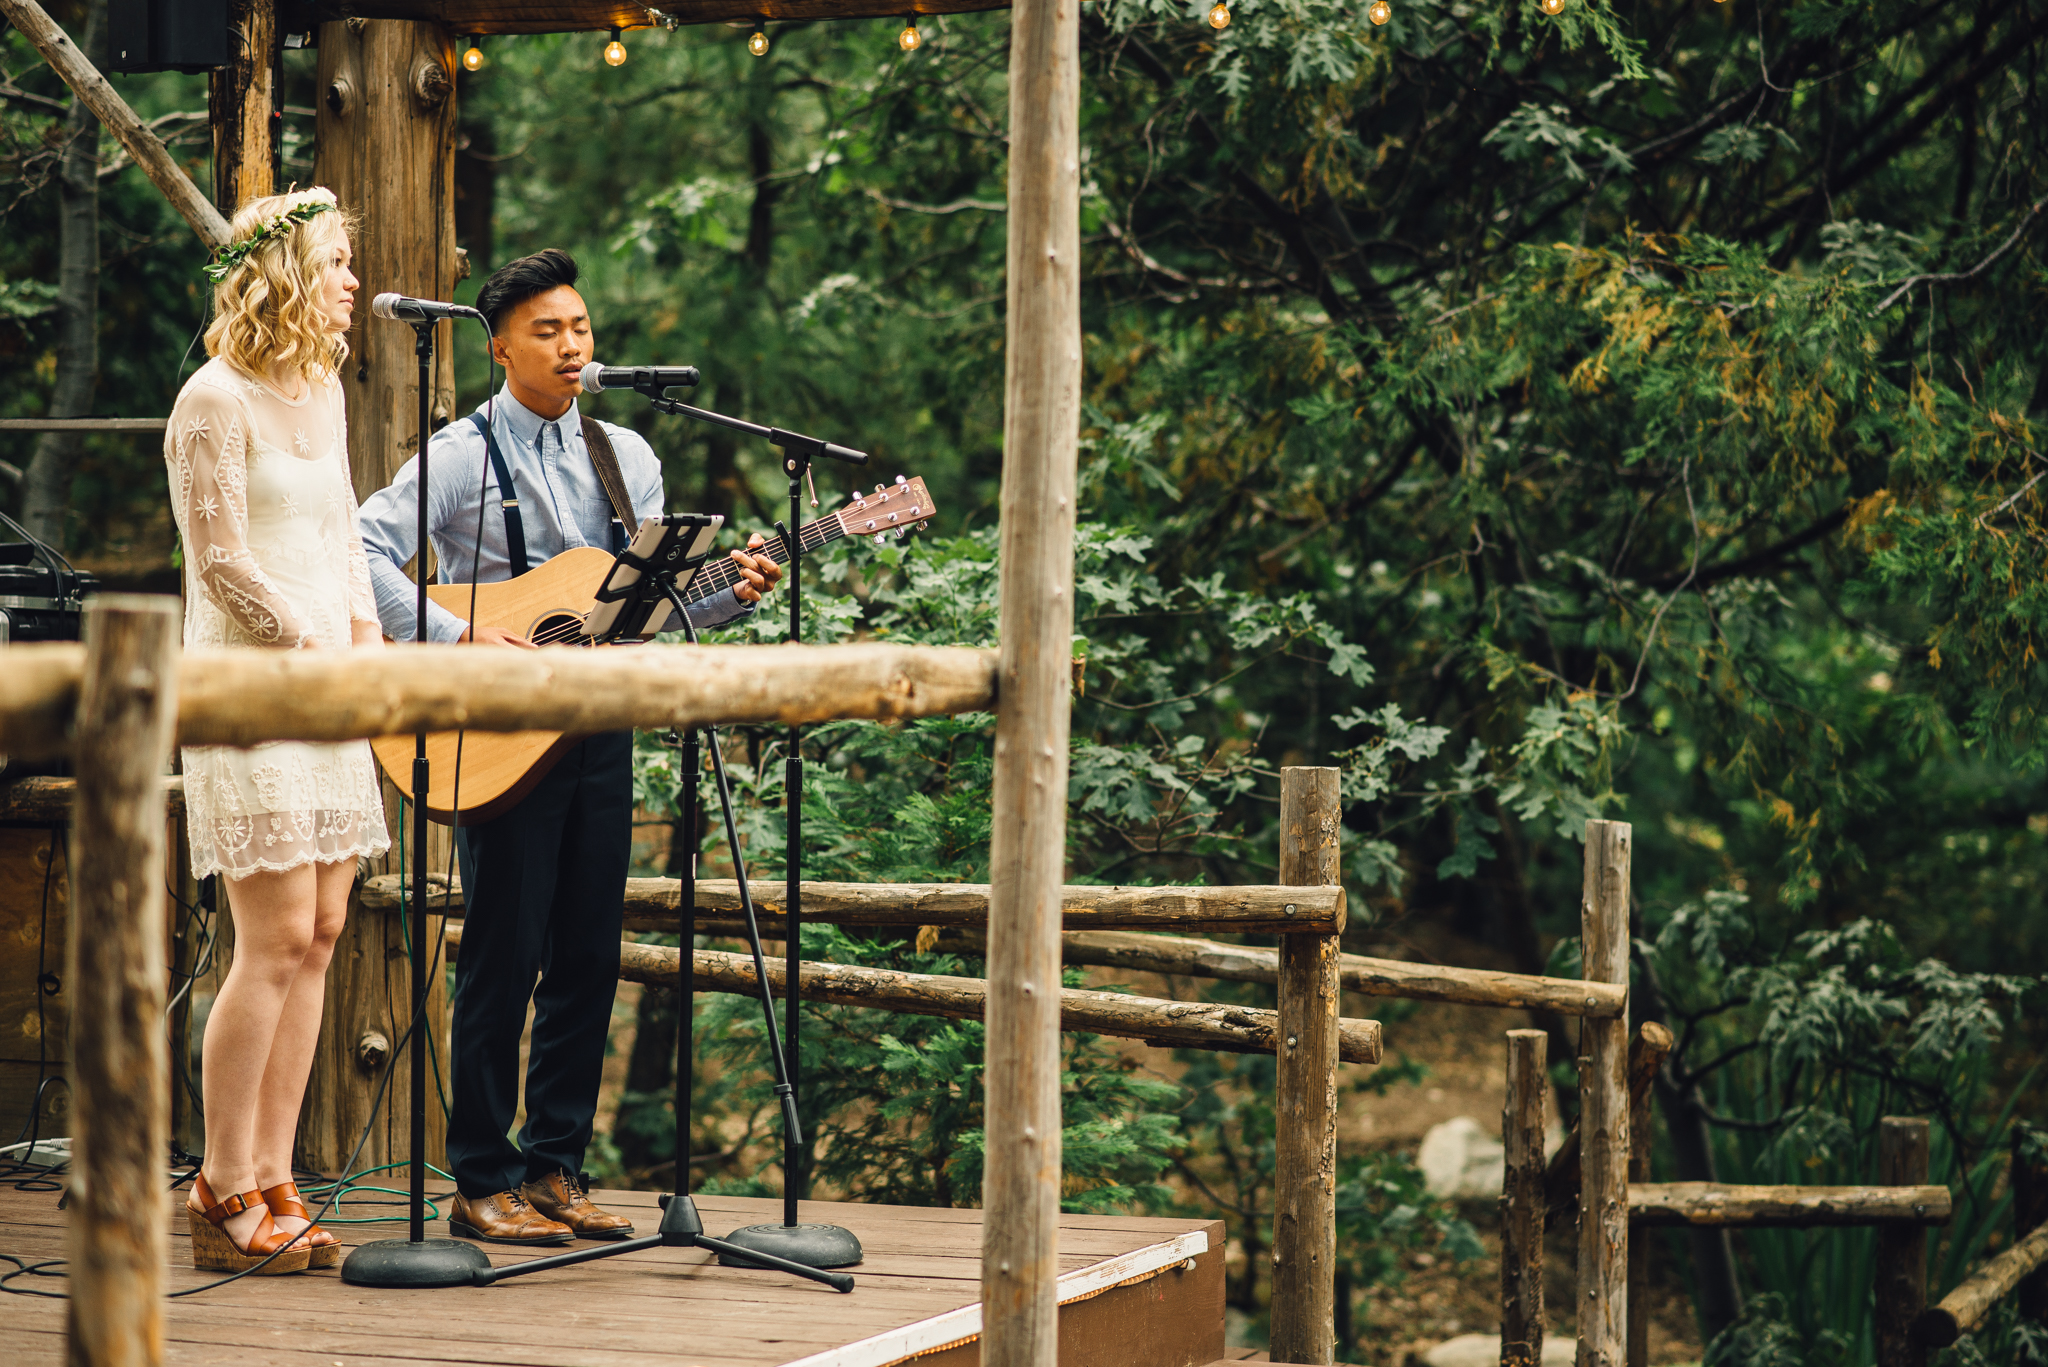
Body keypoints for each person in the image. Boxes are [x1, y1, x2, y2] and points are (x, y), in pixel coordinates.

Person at [357, 248, 781, 1245]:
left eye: (580, 327)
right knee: (502, 953)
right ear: (501, 346)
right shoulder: (459, 454)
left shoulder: (625, 456)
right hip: (496, 730)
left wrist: (727, 588)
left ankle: (555, 1166)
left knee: (589, 952)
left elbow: (639, 608)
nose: (572, 344)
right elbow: (361, 547)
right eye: (548, 331)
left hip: (598, 724)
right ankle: (478, 1177)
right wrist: (459, 634)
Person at [167, 186, 390, 1274]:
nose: (353, 279)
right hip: (252, 692)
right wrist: (308, 652)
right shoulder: (213, 397)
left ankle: (277, 1165)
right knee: (270, 934)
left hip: (331, 691)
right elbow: (221, 561)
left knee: (324, 929)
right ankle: (219, 1180)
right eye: (339, 261)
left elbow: (344, 536)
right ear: (289, 270)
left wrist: (368, 652)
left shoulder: (324, 388)